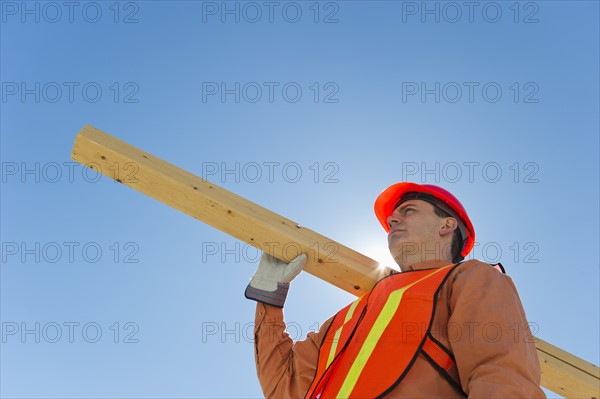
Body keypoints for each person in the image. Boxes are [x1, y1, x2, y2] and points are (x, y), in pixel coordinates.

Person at [244, 182, 545, 398]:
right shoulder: (351, 316)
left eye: (409, 210)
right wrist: (268, 298)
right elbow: (285, 388)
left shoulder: (469, 279)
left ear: (447, 225)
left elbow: (501, 373)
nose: (392, 220)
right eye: (393, 218)